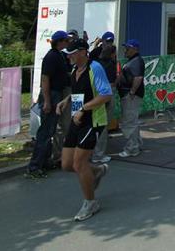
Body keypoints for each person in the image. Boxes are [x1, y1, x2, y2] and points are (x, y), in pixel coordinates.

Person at [56, 39, 113, 222]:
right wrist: (66, 101)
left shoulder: (95, 68)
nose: (69, 57)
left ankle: (90, 202)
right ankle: (96, 171)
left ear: (82, 52)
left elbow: (106, 94)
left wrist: (83, 109)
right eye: (68, 54)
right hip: (77, 119)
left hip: (92, 121)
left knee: (79, 164)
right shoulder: (75, 69)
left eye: (72, 53)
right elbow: (78, 91)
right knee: (66, 164)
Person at [26, 30, 71, 179]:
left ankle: (44, 161)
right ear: (60, 41)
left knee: (50, 131)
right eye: (66, 40)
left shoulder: (59, 55)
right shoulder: (51, 57)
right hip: (51, 94)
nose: (68, 43)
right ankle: (34, 166)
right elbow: (45, 79)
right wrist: (46, 100)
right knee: (45, 132)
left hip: (57, 93)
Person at [90, 31, 117, 165]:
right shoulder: (101, 62)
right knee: (102, 124)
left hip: (99, 94)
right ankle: (98, 154)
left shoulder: (102, 63)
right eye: (107, 41)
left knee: (98, 124)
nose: (109, 44)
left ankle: (95, 152)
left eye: (111, 42)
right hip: (103, 94)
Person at [114, 39, 145, 158]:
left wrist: (132, 92)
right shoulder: (133, 60)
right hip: (128, 94)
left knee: (129, 122)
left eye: (128, 48)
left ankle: (132, 149)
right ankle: (136, 144)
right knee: (132, 122)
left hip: (131, 96)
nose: (125, 50)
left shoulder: (136, 61)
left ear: (135, 49)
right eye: (125, 48)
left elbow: (138, 78)